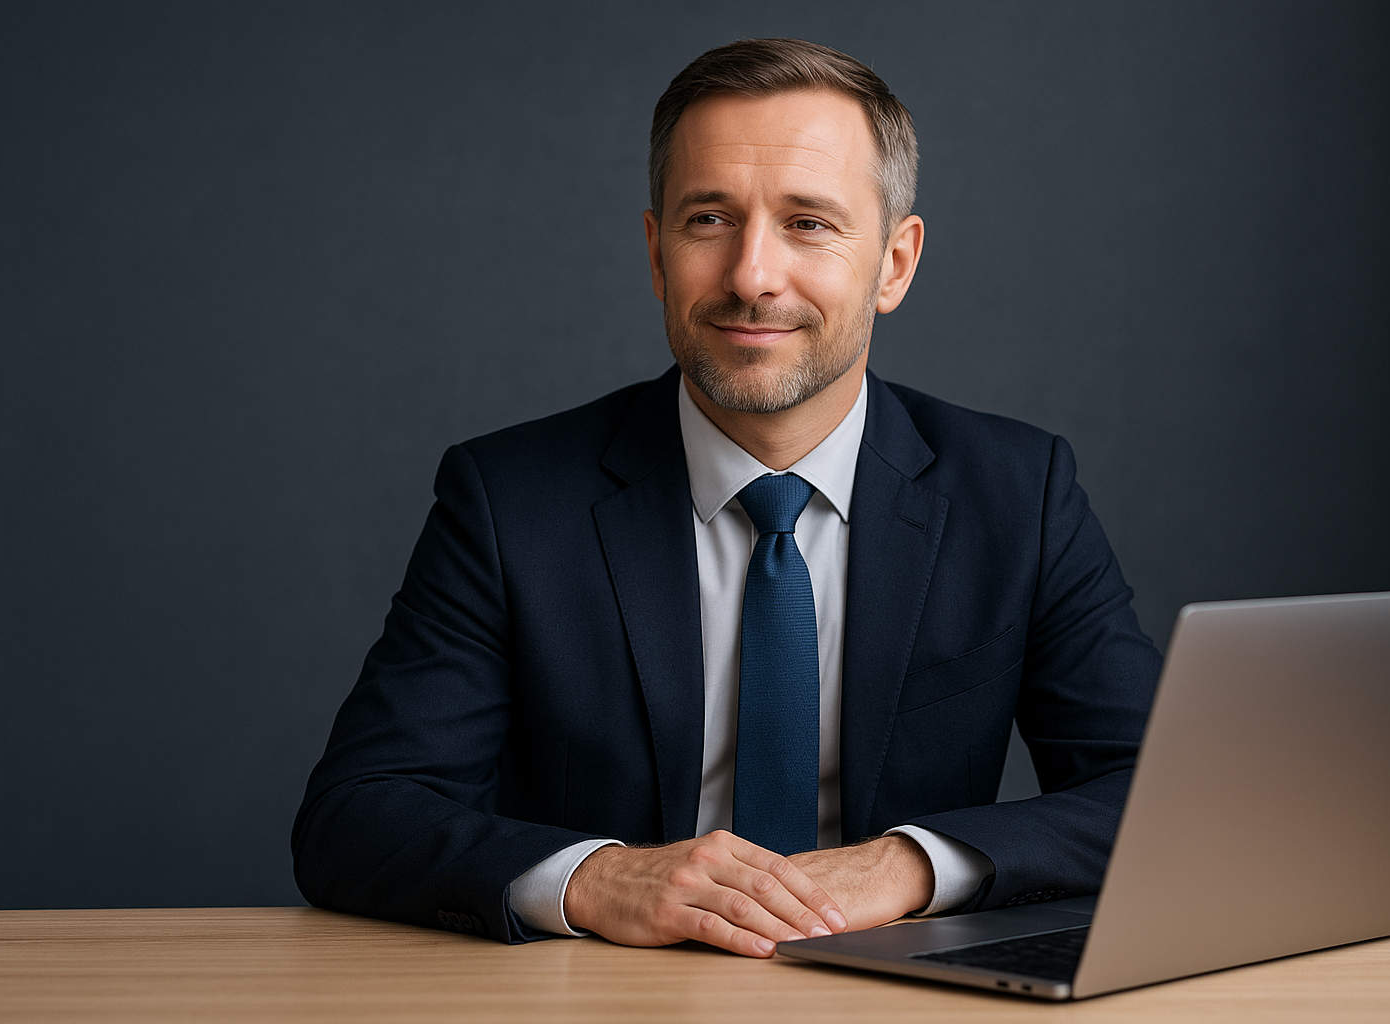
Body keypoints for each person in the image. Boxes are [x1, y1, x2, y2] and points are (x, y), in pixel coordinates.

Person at [292, 38, 1161, 959]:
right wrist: (598, 877)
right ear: (657, 253)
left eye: (810, 223)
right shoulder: (509, 501)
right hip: (610, 1002)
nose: (752, 276)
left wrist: (909, 865)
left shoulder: (1017, 492)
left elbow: (1161, 794)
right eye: (709, 219)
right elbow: (357, 815)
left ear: (894, 264)